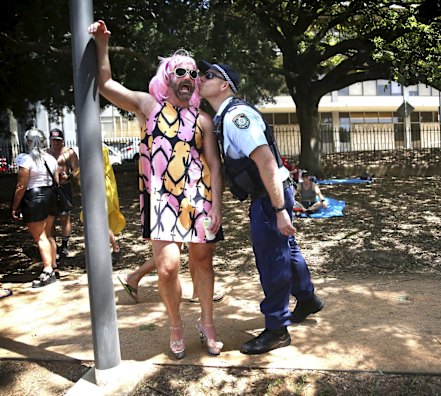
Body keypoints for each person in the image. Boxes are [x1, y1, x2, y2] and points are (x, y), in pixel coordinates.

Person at [89, 20, 224, 358]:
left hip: (198, 200)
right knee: (167, 268)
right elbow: (105, 84)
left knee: (203, 261)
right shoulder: (148, 107)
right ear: (168, 76)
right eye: (181, 72)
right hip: (160, 200)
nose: (188, 79)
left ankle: (207, 324)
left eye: (194, 74)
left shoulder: (203, 120)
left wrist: (218, 206)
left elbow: (215, 165)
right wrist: (102, 45)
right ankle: (176, 324)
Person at [198, 60, 324, 355]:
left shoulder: (236, 116)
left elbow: (265, 161)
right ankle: (307, 299)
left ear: (224, 84)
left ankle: (277, 330)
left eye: (208, 75)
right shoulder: (224, 116)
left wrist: (279, 210)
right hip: (273, 193)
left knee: (272, 261)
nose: (200, 79)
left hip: (270, 197)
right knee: (287, 251)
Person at [11, 128, 60, 288]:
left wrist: (15, 206)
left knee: (40, 237)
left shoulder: (26, 159)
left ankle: (47, 270)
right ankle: (53, 266)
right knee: (48, 234)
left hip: (34, 198)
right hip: (50, 196)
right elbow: (57, 181)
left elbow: (21, 185)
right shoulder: (50, 158)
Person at [80, 145, 126, 264]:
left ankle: (115, 248)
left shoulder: (98, 150)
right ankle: (107, 250)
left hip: (100, 189)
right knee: (98, 221)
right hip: (99, 188)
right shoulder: (96, 150)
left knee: (100, 221)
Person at [46, 128, 79, 259]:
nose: (56, 143)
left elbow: (76, 170)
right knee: (50, 218)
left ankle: (64, 245)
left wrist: (69, 176)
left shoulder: (69, 153)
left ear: (63, 140)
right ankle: (52, 244)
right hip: (49, 188)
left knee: (65, 217)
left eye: (58, 140)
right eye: (53, 140)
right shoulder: (45, 153)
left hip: (64, 187)